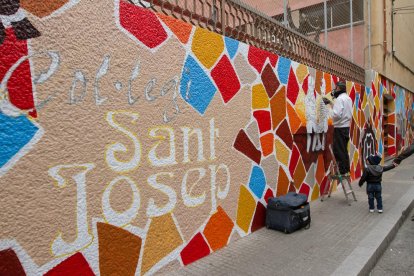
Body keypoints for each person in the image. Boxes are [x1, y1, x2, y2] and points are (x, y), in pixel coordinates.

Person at [323, 81, 353, 175]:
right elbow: (342, 111)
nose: (334, 90)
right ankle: (346, 169)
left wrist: (329, 109)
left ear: (339, 88)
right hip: (346, 127)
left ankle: (342, 170)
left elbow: (337, 114)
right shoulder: (348, 98)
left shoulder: (340, 99)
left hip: (339, 128)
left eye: (336, 88)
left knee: (338, 150)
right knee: (343, 149)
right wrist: (332, 103)